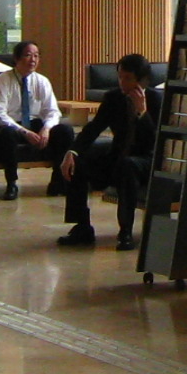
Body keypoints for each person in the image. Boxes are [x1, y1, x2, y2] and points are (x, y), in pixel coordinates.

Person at [58, 51, 159, 249]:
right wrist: (72, 152)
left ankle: (125, 232)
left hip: (146, 161)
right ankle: (82, 227)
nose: (122, 83)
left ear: (141, 80)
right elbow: (94, 128)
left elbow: (155, 140)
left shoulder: (156, 99)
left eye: (128, 78)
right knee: (78, 165)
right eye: (120, 77)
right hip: (118, 158)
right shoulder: (113, 98)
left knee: (128, 166)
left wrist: (142, 112)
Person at [0, 40, 75, 198]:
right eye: (28, 55)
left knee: (65, 131)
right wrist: (24, 132)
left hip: (35, 124)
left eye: (36, 56)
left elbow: (52, 111)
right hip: (12, 125)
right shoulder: (3, 80)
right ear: (16, 58)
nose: (33, 60)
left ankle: (58, 182)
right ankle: (12, 184)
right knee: (7, 134)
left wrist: (46, 129)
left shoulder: (42, 81)